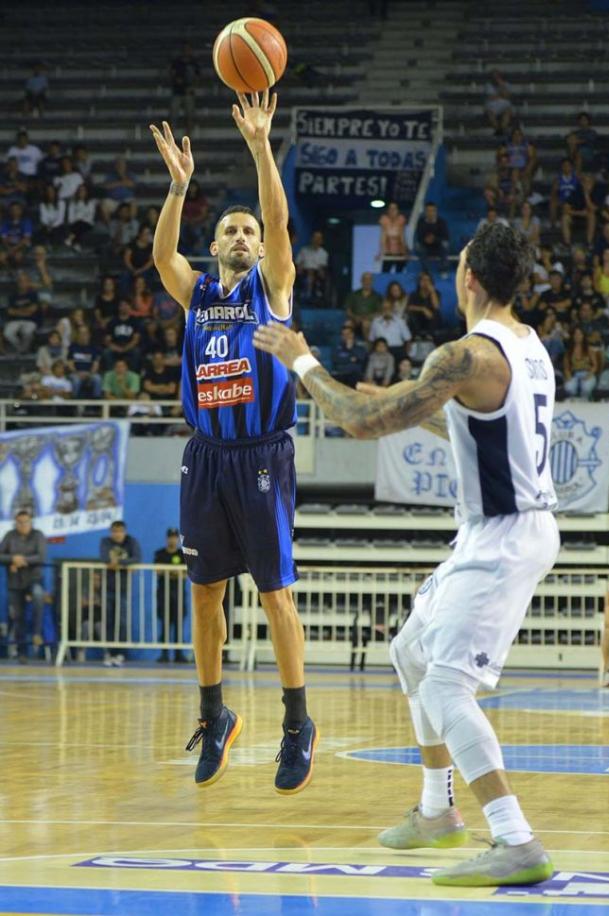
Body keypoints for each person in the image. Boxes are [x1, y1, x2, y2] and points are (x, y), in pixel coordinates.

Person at [254, 221, 560, 886]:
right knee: (410, 652)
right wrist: (404, 406)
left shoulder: (465, 355)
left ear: (469, 278)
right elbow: (480, 428)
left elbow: (359, 425)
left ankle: (515, 838)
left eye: (456, 265)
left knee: (447, 684)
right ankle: (436, 812)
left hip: (505, 535)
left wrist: (302, 360)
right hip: (499, 528)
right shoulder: (527, 346)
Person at [149, 90, 317, 795]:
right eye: (232, 231)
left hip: (262, 456)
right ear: (213, 245)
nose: (245, 236)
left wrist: (259, 146)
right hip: (206, 457)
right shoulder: (198, 294)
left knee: (276, 595)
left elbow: (279, 222)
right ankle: (215, 715)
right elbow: (161, 256)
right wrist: (179, 187)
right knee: (204, 594)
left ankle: (296, 723)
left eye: (248, 229)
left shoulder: (270, 289)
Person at [0, 511, 47, 663]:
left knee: (39, 594)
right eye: (19, 522)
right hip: (14, 582)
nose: (22, 525)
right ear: (15, 523)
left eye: (25, 522)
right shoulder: (9, 535)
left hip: (34, 579)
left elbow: (41, 556)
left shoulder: (38, 535)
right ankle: (22, 652)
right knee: (18, 617)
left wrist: (22, 560)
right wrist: (12, 558)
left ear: (31, 522)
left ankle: (37, 632)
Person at [99, 521, 142, 667]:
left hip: (123, 589)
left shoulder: (131, 542)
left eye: (120, 531)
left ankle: (120, 653)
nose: (117, 534)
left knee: (122, 622)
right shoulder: (105, 542)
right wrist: (126, 565)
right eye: (114, 531)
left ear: (124, 531)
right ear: (111, 532)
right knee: (108, 621)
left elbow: (137, 558)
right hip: (108, 588)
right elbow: (104, 558)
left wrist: (118, 563)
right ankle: (109, 653)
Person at [154, 528, 188, 664]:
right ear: (166, 538)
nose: (172, 540)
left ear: (178, 539)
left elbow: (186, 574)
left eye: (175, 537)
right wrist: (175, 572)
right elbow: (158, 571)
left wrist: (170, 571)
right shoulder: (160, 553)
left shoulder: (183, 554)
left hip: (178, 593)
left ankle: (179, 654)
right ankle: (164, 653)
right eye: (170, 537)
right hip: (163, 593)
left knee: (179, 623)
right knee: (165, 624)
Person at [4, 272, 41, 353]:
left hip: (31, 320)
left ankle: (22, 351)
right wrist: (25, 311)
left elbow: (32, 310)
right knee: (7, 333)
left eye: (25, 281)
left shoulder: (33, 294)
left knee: (27, 332)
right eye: (21, 281)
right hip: (15, 320)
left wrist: (17, 311)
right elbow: (10, 311)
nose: (23, 283)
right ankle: (22, 349)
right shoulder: (13, 295)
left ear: (28, 282)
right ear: (18, 283)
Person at [169, 43, 201, 135]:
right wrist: (176, 80)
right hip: (177, 92)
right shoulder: (177, 62)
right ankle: (171, 135)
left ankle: (189, 135)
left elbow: (198, 77)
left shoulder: (193, 63)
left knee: (190, 116)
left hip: (189, 93)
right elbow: (171, 73)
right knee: (173, 115)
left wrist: (193, 87)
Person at [369, 298, 412, 362]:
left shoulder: (400, 321)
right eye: (384, 308)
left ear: (392, 309)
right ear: (381, 309)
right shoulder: (376, 322)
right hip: (381, 350)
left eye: (388, 308)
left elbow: (408, 339)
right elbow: (371, 340)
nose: (386, 310)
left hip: (397, 349)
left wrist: (406, 354)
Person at [344, 272, 383, 340]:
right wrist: (355, 317)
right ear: (361, 281)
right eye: (365, 279)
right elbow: (348, 310)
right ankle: (347, 347)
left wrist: (368, 317)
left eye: (369, 280)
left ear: (372, 281)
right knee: (347, 324)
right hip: (355, 319)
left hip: (370, 321)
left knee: (366, 324)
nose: (367, 282)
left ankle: (368, 346)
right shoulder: (353, 294)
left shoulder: (377, 296)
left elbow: (379, 312)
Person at [414, 201, 450, 274]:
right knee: (418, 247)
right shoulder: (421, 222)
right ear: (425, 212)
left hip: (438, 245)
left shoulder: (441, 222)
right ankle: (426, 271)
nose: (430, 213)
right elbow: (419, 236)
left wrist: (434, 239)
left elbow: (446, 237)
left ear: (435, 211)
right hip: (425, 246)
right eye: (428, 211)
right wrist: (426, 240)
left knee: (445, 245)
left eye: (432, 211)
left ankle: (443, 270)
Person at [67, 325, 102, 398]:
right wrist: (77, 373)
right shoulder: (72, 347)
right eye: (81, 333)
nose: (83, 335)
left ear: (89, 335)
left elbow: (96, 364)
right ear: (78, 335)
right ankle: (74, 404)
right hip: (75, 373)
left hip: (90, 373)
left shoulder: (94, 348)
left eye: (85, 333)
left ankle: (96, 404)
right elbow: (70, 364)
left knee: (97, 378)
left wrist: (89, 374)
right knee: (76, 381)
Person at [563, 325, 597, 400]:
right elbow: (566, 367)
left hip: (587, 373)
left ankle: (586, 402)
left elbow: (595, 365)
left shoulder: (589, 350)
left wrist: (589, 375)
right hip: (574, 375)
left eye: (580, 334)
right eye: (576, 334)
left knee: (586, 388)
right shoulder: (569, 351)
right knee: (569, 388)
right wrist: (568, 376)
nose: (577, 336)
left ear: (583, 336)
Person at [295, 230, 329, 304]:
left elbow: (322, 267)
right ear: (311, 239)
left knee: (317, 274)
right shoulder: (304, 250)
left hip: (317, 273)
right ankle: (304, 294)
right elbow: (298, 263)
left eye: (318, 238)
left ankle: (311, 295)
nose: (316, 240)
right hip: (304, 272)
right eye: (315, 238)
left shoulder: (324, 253)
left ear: (321, 241)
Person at [332, 322, 368, 388]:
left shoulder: (360, 346)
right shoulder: (337, 346)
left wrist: (350, 349)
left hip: (355, 375)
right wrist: (350, 358)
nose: (346, 336)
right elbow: (336, 359)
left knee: (355, 378)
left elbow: (361, 358)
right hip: (341, 374)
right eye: (343, 334)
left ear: (352, 334)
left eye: (348, 334)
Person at [64, 183, 97, 251]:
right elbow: (71, 216)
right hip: (75, 222)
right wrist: (76, 220)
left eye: (83, 190)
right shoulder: (73, 202)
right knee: (78, 225)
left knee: (81, 224)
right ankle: (77, 244)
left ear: (87, 192)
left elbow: (90, 215)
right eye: (80, 190)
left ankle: (70, 238)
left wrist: (81, 219)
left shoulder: (91, 202)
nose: (82, 192)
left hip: (87, 223)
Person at [378, 202, 408, 272]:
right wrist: (381, 252)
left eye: (394, 209)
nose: (392, 211)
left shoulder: (401, 219)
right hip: (388, 250)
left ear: (398, 210)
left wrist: (404, 252)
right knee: (385, 272)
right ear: (388, 210)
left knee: (399, 272)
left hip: (400, 250)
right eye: (390, 209)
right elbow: (383, 236)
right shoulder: (384, 219)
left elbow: (402, 236)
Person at [484, 69, 514, 135]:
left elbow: (507, 96)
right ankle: (497, 129)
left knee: (508, 111)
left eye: (497, 76)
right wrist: (501, 95)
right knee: (490, 113)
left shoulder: (506, 84)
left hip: (504, 104)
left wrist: (501, 86)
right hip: (492, 105)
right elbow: (491, 97)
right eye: (494, 76)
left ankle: (502, 129)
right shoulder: (488, 85)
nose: (495, 78)